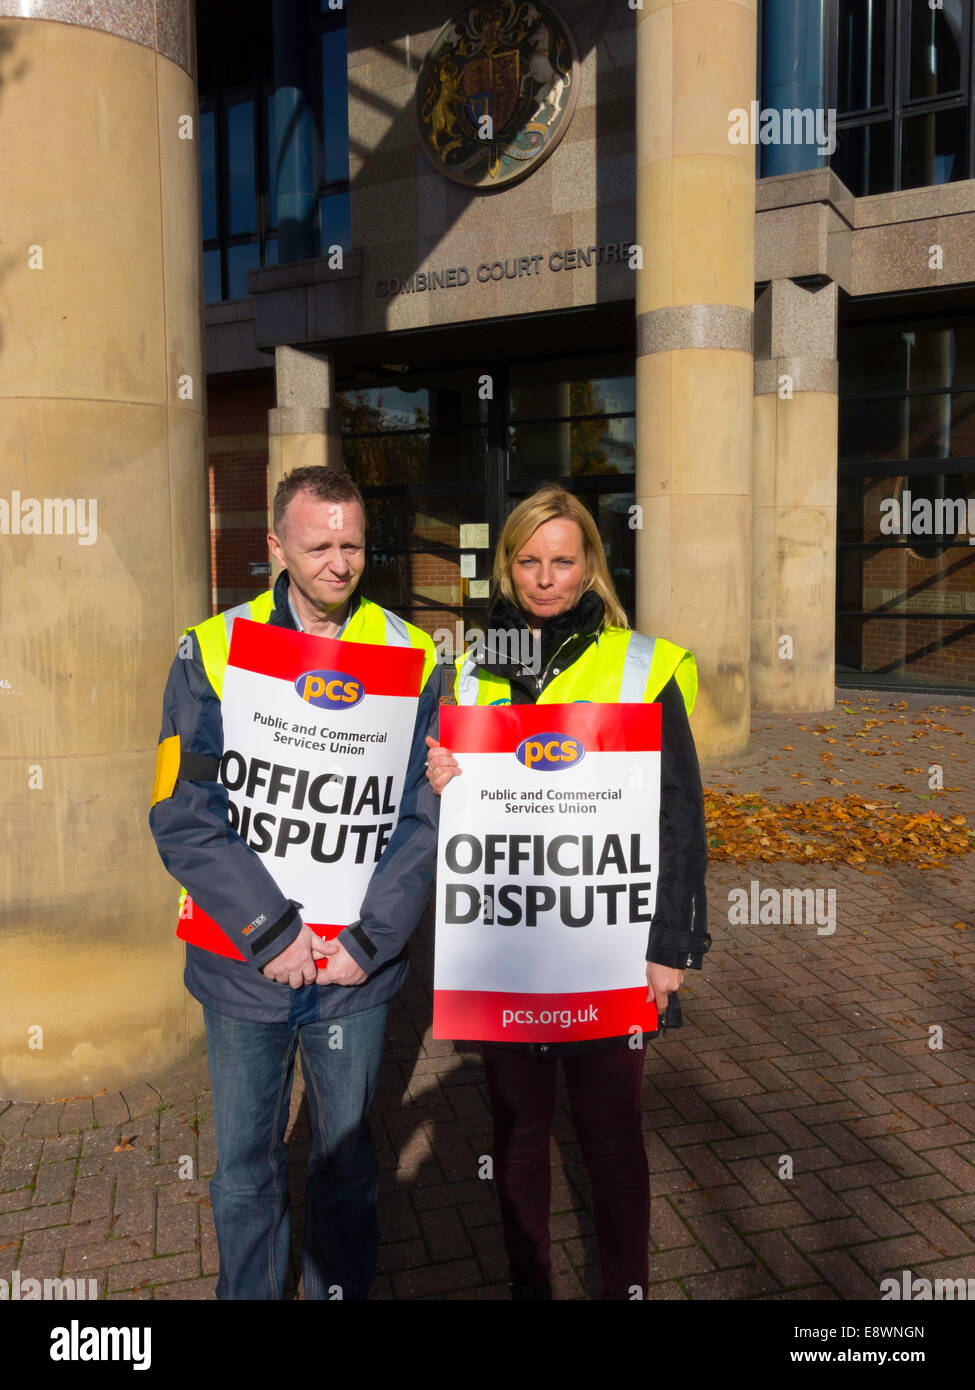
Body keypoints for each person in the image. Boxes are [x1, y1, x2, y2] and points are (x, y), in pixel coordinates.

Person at [149, 466, 441, 1300]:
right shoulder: (210, 650)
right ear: (275, 546)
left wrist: (369, 940)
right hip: (245, 964)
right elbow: (181, 809)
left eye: (352, 545)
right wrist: (271, 931)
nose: (338, 564)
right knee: (245, 1166)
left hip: (355, 968)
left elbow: (423, 818)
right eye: (318, 545)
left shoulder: (413, 655)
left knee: (345, 1167)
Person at [425, 483, 711, 1301]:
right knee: (516, 1132)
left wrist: (671, 946)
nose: (544, 578)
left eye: (561, 560)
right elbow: (453, 816)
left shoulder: (641, 665)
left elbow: (678, 818)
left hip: (610, 945)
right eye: (527, 561)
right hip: (508, 947)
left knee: (611, 1136)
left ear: (589, 567)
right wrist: (442, 778)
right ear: (506, 568)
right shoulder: (472, 670)